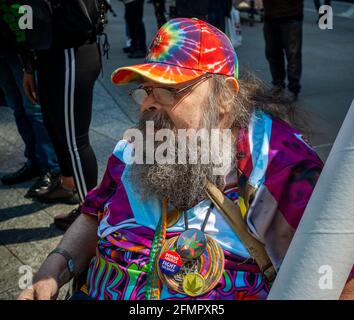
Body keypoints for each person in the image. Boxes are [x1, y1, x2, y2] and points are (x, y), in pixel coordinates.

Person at [18, 18, 354, 300]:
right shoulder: (136, 147)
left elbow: (340, 280)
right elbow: (94, 214)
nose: (147, 104)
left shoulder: (276, 165)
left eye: (169, 90)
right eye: (146, 88)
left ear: (225, 96)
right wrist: (52, 272)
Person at [22, 0, 102, 229]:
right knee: (55, 127)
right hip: (48, 54)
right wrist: (27, 65)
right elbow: (23, 15)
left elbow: (79, 19)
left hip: (71, 52)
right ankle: (68, 186)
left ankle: (92, 216)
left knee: (75, 140)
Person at [0, 54, 61, 198]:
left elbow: (26, 30)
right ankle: (35, 162)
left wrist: (28, 63)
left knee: (34, 108)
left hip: (21, 52)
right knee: (16, 107)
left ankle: (53, 168)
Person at [262, 0, 303, 101]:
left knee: (293, 55)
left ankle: (293, 89)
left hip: (291, 16)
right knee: (272, 53)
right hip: (270, 16)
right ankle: (278, 85)